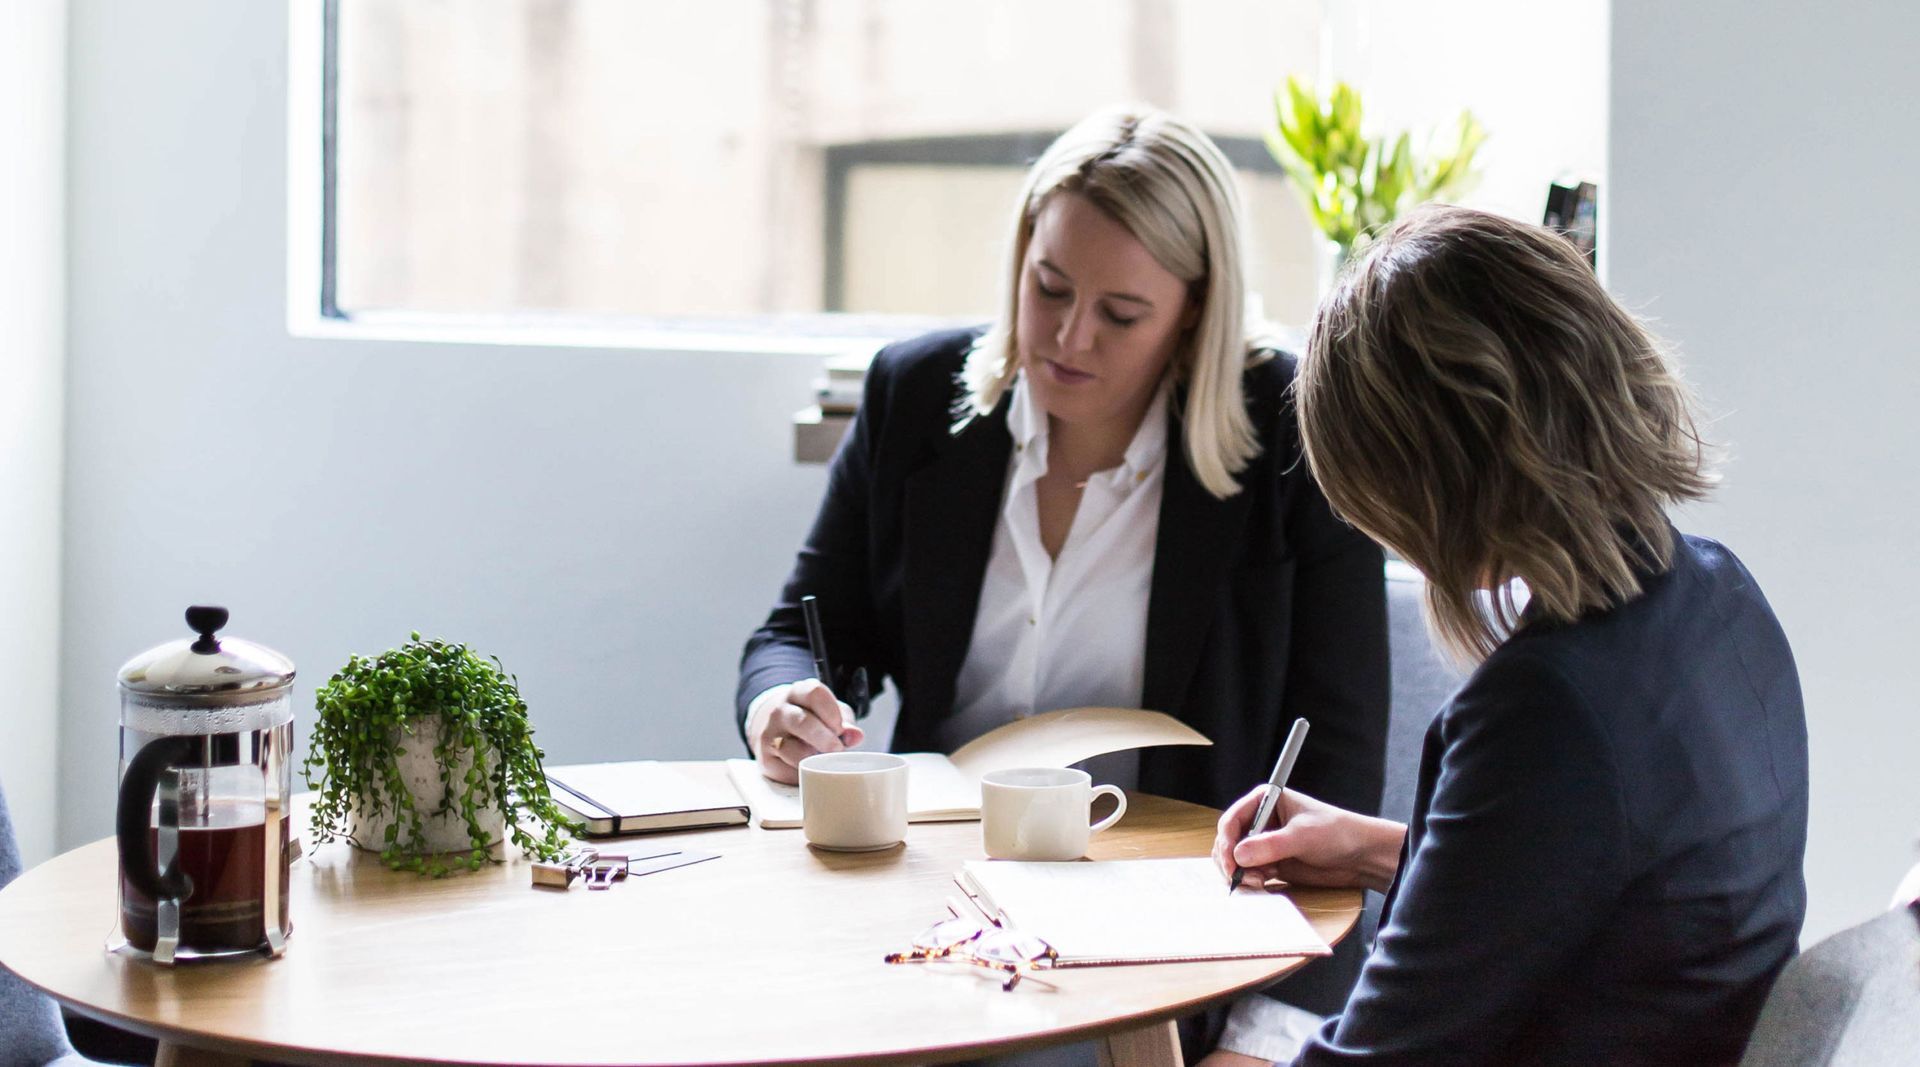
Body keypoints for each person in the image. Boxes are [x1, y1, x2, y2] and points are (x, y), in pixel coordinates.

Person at [736, 106, 1391, 1033]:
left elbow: (1338, 779)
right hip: (927, 896)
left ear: (1195, 309)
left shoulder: (1294, 435)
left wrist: (1272, 1039)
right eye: (1048, 289)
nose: (1068, 339)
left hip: (1167, 928)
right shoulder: (918, 396)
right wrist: (781, 704)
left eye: (1121, 314)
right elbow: (795, 637)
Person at [1206, 205, 1810, 1065]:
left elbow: (1386, 1055)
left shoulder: (1548, 708)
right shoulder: (1719, 598)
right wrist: (1376, 848)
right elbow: (1614, 889)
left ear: (1434, 475)